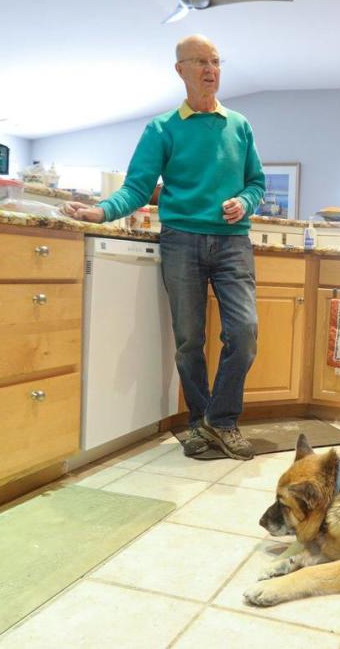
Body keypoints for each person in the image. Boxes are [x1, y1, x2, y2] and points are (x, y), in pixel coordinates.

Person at [62, 34, 266, 461]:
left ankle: (220, 420)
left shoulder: (239, 126)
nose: (211, 70)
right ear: (181, 71)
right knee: (189, 341)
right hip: (181, 241)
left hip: (232, 243)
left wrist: (244, 201)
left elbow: (256, 183)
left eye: (216, 61)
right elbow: (137, 188)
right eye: (200, 62)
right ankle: (198, 423)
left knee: (244, 336)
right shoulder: (161, 129)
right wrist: (101, 212)